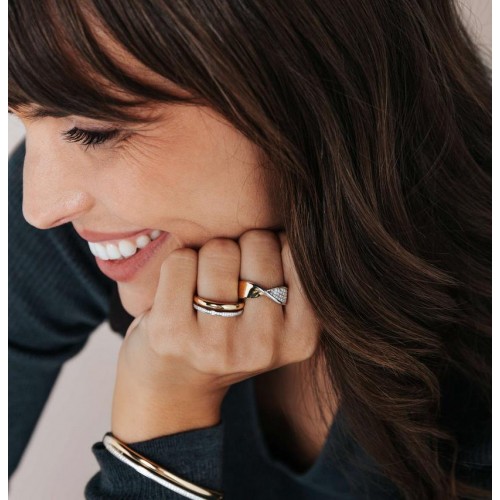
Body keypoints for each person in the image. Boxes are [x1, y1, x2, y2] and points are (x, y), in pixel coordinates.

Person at [8, 0, 491, 499]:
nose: (39, 208)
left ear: (305, 80)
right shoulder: (104, 224)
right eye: (22, 120)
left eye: (93, 130)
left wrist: (161, 431)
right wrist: (166, 407)